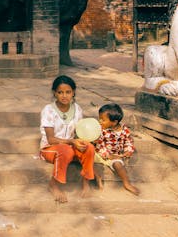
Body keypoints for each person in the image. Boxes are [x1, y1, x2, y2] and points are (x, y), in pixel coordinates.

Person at [39, 75, 96, 203]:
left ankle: (86, 182)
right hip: (50, 149)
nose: (64, 96)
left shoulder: (77, 109)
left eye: (68, 92)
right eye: (60, 92)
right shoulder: (48, 110)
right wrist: (71, 142)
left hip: (70, 146)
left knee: (89, 147)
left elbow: (79, 132)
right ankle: (54, 184)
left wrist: (83, 141)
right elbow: (51, 139)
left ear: (73, 92)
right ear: (54, 93)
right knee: (66, 150)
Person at [93, 103, 140, 196]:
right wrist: (107, 155)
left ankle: (126, 183)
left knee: (118, 164)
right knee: (89, 158)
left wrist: (128, 151)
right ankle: (97, 179)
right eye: (99, 119)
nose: (100, 121)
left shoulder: (124, 130)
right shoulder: (101, 130)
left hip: (115, 155)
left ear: (114, 122)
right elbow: (100, 144)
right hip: (101, 153)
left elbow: (128, 141)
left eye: (103, 120)